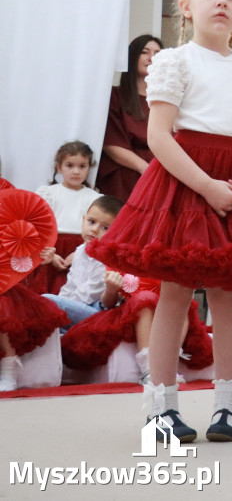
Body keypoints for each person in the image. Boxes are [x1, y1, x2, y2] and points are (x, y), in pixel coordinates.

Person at [88, 0, 232, 444]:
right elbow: (160, 136)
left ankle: (228, 405)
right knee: (175, 293)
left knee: (228, 296)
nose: (221, 2)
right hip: (186, 182)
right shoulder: (174, 61)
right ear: (185, 6)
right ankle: (161, 408)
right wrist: (206, 186)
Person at [44, 196, 159, 381]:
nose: (95, 230)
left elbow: (89, 296)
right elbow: (70, 286)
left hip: (99, 313)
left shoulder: (107, 256)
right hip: (79, 307)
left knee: (47, 301)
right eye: (91, 222)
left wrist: (58, 307)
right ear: (83, 220)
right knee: (48, 306)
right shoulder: (80, 251)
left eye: (105, 228)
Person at [0, 187, 66, 392]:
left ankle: (9, 367)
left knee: (2, 298)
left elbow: (19, 254)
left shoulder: (9, 206)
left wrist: (40, 256)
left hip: (7, 288)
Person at [26, 141, 101, 294]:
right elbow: (36, 228)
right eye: (70, 165)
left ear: (89, 168)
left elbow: (100, 231)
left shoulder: (94, 198)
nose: (76, 171)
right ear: (59, 168)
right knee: (44, 294)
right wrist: (50, 255)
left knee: (72, 293)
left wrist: (82, 253)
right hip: (51, 250)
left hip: (81, 250)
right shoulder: (48, 194)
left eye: (82, 166)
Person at [96, 35, 163, 201]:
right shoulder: (115, 96)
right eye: (145, 52)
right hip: (127, 173)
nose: (151, 58)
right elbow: (111, 144)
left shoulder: (166, 101)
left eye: (157, 53)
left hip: (163, 172)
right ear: (133, 57)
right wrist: (145, 169)